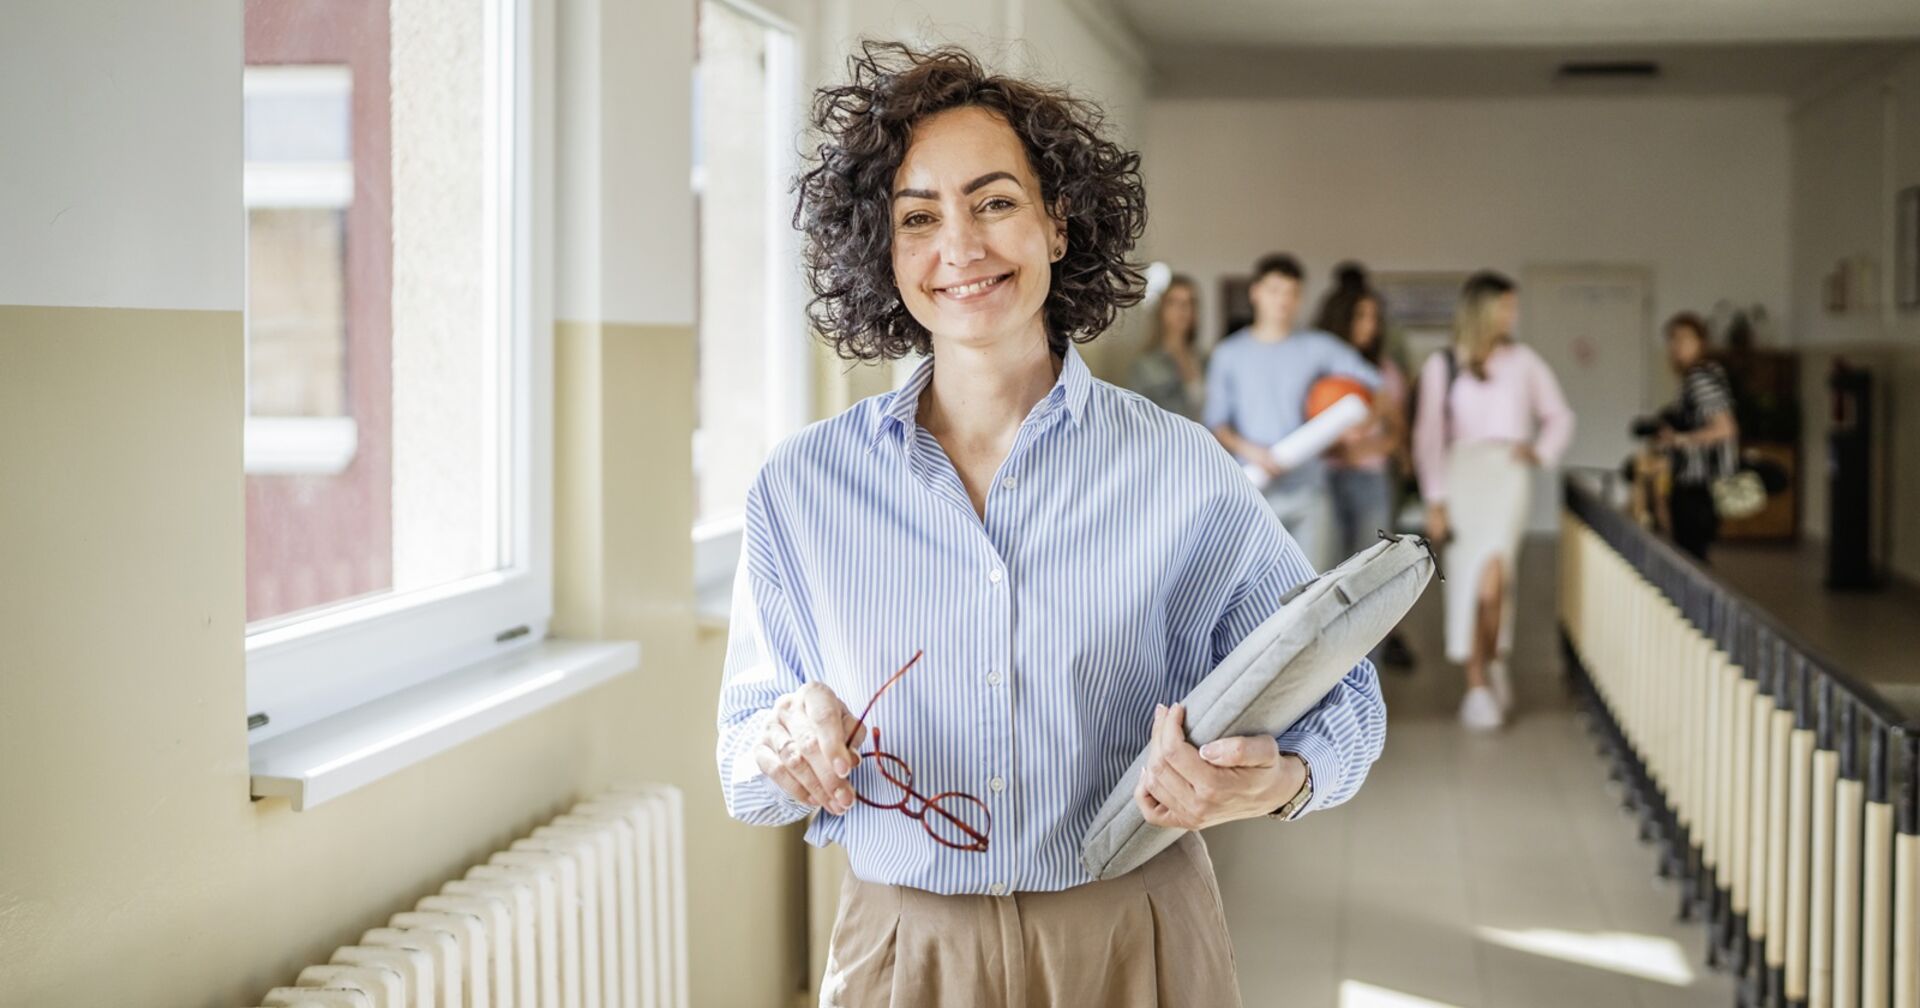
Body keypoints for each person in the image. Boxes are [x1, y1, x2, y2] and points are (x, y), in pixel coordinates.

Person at [715, 43, 1386, 1007]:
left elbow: (1346, 692)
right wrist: (784, 741)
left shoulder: (1180, 468)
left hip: (1135, 937)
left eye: (994, 202)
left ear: (1058, 223)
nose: (961, 247)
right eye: (917, 217)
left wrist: (1271, 783)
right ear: (885, 249)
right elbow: (743, 762)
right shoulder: (801, 489)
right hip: (906, 952)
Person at [1412, 271, 1573, 731]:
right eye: (1505, 306)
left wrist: (1540, 451)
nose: (1512, 315)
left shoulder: (1524, 361)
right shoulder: (1443, 363)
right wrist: (1435, 500)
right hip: (1461, 475)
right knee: (1467, 581)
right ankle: (1478, 680)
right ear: (1482, 309)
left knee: (1496, 581)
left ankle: (1494, 659)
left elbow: (1559, 415)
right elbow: (1428, 438)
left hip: (1507, 476)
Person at [1205, 254, 1380, 571]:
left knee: (1312, 591)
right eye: (1274, 291)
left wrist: (1358, 423)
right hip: (1252, 491)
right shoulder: (1227, 354)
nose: (1282, 301)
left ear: (1299, 298)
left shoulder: (1318, 347)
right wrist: (1252, 451)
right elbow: (1216, 424)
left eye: (1291, 293)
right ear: (1255, 292)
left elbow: (1373, 385)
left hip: (1309, 492)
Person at [1314, 264, 1415, 669]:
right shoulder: (1320, 366)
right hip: (1324, 483)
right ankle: (1322, 672)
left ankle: (1362, 671)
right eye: (1361, 316)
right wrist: (1338, 448)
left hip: (1371, 481)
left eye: (1374, 317)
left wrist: (1372, 445)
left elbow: (1398, 430)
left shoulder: (1384, 371)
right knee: (1324, 578)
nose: (1370, 326)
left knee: (1368, 579)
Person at [1658, 311, 1739, 561]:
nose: (1677, 346)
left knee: (1692, 558)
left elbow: (1725, 428)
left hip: (1698, 482)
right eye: (1673, 339)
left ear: (1700, 342)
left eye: (1685, 339)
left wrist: (1680, 440)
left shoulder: (1700, 378)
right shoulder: (1700, 375)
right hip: (1693, 481)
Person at [1128, 274, 1204, 420]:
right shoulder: (1144, 365)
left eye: (1189, 302)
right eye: (1174, 302)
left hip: (1206, 440)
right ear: (1161, 309)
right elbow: (1136, 418)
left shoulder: (1206, 360)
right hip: (1168, 441)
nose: (1182, 309)